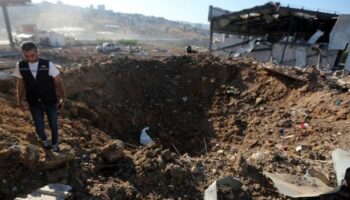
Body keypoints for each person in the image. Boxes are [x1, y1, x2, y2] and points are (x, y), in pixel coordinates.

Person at [13, 41, 65, 153]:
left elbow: (58, 82)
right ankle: (45, 143)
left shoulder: (48, 64)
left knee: (53, 125)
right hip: (34, 102)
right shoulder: (20, 66)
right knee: (39, 127)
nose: (30, 58)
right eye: (26, 56)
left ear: (37, 52)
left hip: (50, 101)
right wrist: (19, 102)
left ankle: (55, 144)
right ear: (23, 54)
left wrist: (63, 98)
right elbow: (20, 84)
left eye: (32, 55)